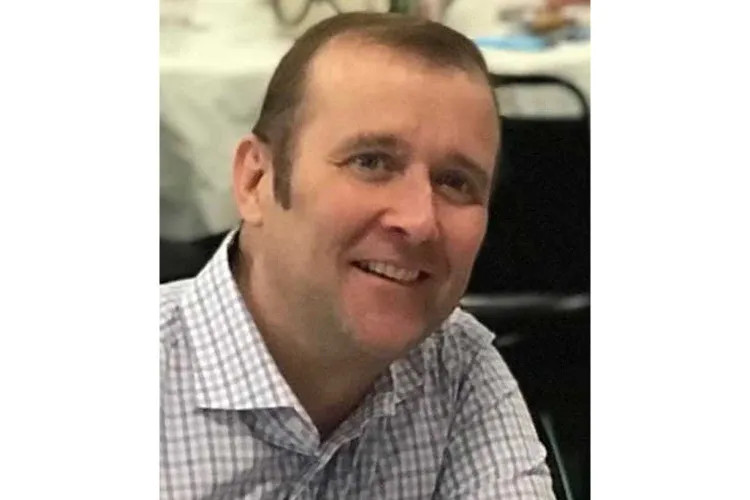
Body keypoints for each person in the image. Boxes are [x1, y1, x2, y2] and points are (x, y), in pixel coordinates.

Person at [160, 12, 555, 500]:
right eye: (371, 162)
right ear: (255, 181)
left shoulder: (456, 368)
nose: (419, 220)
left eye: (455, 182)